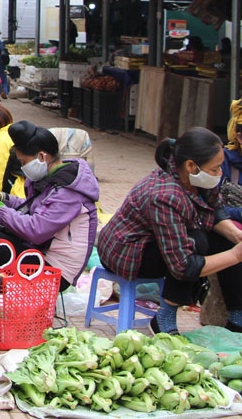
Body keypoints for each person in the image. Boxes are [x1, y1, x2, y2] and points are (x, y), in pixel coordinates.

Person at [98, 128, 242, 334]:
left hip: (158, 242)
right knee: (197, 241)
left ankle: (238, 315)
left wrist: (237, 237)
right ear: (192, 166)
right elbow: (182, 265)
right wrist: (236, 255)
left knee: (224, 237)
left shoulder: (195, 176)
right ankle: (164, 317)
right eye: (215, 169)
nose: (219, 174)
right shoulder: (165, 194)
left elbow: (215, 208)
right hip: (125, 253)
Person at [0, 122, 99, 289]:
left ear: (42, 156)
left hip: (53, 268)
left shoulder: (68, 191)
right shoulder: (52, 177)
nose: (22, 167)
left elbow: (37, 230)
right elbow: (33, 208)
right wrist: (3, 198)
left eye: (23, 161)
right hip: (37, 249)